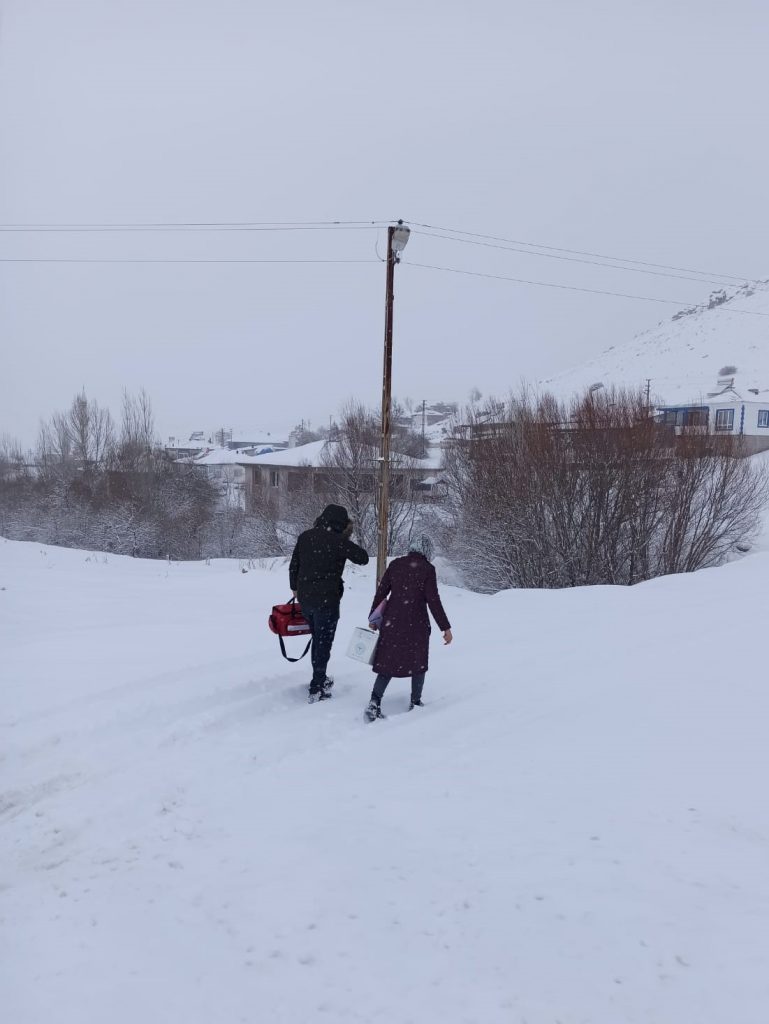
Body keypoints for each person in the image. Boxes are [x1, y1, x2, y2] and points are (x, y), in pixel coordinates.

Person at [365, 535, 452, 721]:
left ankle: (374, 702)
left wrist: (373, 618)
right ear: (427, 551)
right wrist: (445, 627)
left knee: (387, 662)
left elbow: (381, 593)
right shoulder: (428, 569)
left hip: (392, 622)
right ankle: (416, 701)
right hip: (417, 624)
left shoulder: (396, 564)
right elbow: (433, 600)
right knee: (418, 662)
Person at [289, 503, 369, 703]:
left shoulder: (305, 537)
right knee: (323, 642)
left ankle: (320, 677)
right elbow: (363, 558)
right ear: (340, 524)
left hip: (306, 598)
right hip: (327, 600)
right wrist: (343, 542)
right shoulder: (338, 541)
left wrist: (295, 588)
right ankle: (317, 687)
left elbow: (294, 566)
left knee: (318, 638)